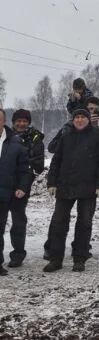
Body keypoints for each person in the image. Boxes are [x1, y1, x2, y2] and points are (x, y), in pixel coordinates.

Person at [44, 108, 99, 272]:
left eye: (83, 117)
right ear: (73, 119)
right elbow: (56, 160)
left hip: (88, 187)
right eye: (77, 117)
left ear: (88, 120)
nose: (80, 120)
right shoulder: (66, 135)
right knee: (58, 223)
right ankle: (55, 258)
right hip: (65, 185)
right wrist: (52, 182)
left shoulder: (98, 135)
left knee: (84, 223)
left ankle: (79, 258)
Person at [5, 109, 45, 267]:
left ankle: (18, 254)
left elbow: (38, 165)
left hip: (21, 186)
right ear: (13, 122)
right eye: (18, 121)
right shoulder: (5, 136)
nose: (21, 124)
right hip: (3, 185)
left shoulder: (34, 139)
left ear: (28, 122)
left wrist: (24, 181)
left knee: (18, 221)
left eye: (24, 121)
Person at [0, 118, 30, 277]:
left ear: (3, 121)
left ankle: (18, 254)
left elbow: (24, 169)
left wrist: (22, 187)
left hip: (11, 191)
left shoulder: (15, 143)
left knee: (16, 224)